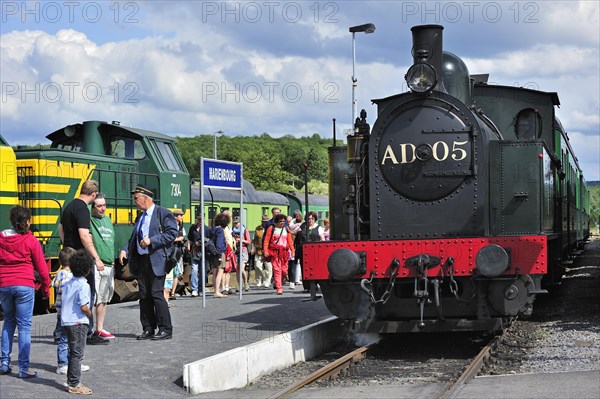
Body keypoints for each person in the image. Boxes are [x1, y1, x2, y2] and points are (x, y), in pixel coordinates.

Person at [118, 184, 177, 340]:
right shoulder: (140, 217)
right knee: (144, 296)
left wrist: (152, 240)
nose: (134, 201)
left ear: (145, 198)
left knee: (157, 294)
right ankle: (148, 328)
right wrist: (125, 249)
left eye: (136, 198)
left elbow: (172, 234)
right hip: (142, 260)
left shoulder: (163, 213)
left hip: (157, 260)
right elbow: (133, 238)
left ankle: (166, 329)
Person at [0, 205, 51, 378]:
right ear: (27, 222)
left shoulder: (1, 239)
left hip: (4, 285)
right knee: (24, 327)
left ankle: (4, 363)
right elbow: (43, 270)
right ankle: (23, 368)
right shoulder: (31, 241)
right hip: (24, 285)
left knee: (8, 322)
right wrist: (46, 290)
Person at [58, 179, 108, 345]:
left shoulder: (69, 206)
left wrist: (67, 245)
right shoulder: (82, 209)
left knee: (68, 295)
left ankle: (61, 333)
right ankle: (86, 333)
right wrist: (96, 258)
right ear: (93, 195)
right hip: (81, 259)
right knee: (87, 295)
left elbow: (60, 228)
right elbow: (84, 236)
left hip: (70, 255)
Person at [53, 247, 90, 375]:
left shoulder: (59, 274)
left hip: (60, 312)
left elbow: (55, 286)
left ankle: (65, 364)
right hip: (71, 314)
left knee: (63, 339)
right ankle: (68, 363)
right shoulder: (72, 277)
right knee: (72, 340)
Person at [61, 249, 94, 395]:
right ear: (87, 269)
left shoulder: (68, 283)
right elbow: (84, 306)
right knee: (77, 353)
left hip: (66, 321)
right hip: (78, 322)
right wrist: (90, 314)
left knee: (72, 352)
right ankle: (74, 383)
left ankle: (71, 380)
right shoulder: (84, 285)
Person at [90, 192, 115, 339]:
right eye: (99, 206)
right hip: (95, 264)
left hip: (108, 264)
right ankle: (88, 329)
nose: (103, 208)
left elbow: (111, 241)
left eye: (104, 205)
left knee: (103, 298)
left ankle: (99, 328)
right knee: (92, 298)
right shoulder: (89, 218)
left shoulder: (107, 220)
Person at [262, 214, 294, 295]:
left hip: (284, 253)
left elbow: (290, 241)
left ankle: (278, 281)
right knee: (277, 270)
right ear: (276, 222)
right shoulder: (271, 229)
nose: (282, 223)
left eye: (284, 221)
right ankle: (279, 288)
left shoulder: (286, 229)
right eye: (280, 221)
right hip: (274, 252)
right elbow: (266, 240)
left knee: (284, 270)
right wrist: (265, 251)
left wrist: (293, 251)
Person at [296, 210, 325, 292]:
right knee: (304, 268)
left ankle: (315, 284)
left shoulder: (319, 228)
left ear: (314, 219)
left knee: (316, 268)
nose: (310, 220)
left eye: (312, 219)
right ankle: (306, 287)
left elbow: (322, 239)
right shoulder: (302, 227)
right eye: (308, 219)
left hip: (316, 251)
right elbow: (296, 234)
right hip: (304, 251)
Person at [164, 209, 186, 306]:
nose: (182, 217)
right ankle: (166, 298)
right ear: (175, 216)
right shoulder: (170, 226)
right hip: (170, 253)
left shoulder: (181, 227)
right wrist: (177, 239)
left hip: (177, 252)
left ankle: (171, 293)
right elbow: (166, 238)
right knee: (168, 274)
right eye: (180, 215)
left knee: (176, 273)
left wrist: (182, 240)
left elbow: (184, 237)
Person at [187, 213, 211, 297]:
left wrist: (203, 243)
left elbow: (210, 241)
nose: (201, 221)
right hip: (195, 251)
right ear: (197, 220)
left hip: (204, 252)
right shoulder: (192, 228)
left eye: (202, 219)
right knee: (194, 270)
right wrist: (189, 246)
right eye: (199, 219)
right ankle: (194, 289)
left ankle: (201, 288)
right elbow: (189, 238)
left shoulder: (207, 229)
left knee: (203, 271)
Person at [251, 214, 272, 288]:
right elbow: (254, 240)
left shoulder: (270, 228)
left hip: (268, 251)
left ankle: (267, 281)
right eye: (263, 221)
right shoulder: (258, 229)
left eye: (266, 221)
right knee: (257, 266)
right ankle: (259, 280)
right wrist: (252, 248)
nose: (265, 223)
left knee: (268, 267)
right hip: (259, 250)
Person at [210, 213, 228, 298]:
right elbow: (219, 243)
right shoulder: (220, 230)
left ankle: (215, 290)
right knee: (220, 271)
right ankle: (217, 291)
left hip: (212, 252)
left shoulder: (212, 229)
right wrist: (220, 255)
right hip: (219, 253)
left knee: (214, 272)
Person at [232, 217, 250, 292]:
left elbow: (248, 242)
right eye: (235, 223)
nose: (236, 224)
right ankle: (239, 284)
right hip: (236, 251)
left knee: (241, 269)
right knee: (237, 269)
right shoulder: (232, 231)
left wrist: (241, 240)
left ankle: (246, 283)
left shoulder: (245, 230)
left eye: (237, 223)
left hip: (243, 250)